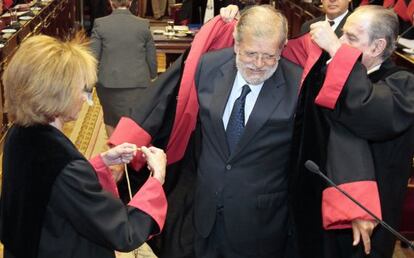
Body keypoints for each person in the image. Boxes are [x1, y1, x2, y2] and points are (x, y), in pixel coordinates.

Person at [222, 4, 414, 258]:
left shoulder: (403, 84)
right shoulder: (331, 69)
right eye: (341, 34)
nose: (340, 40)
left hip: (363, 218)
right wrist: (241, 21)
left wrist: (337, 50)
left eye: (351, 38)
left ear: (377, 47)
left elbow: (366, 110)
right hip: (312, 203)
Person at [111, 5, 304, 257]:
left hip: (260, 224)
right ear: (235, 43)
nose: (258, 64)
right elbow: (168, 108)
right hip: (205, 213)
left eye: (269, 56)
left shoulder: (299, 85)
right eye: (250, 53)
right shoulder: (207, 66)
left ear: (283, 48)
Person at [0, 34, 168, 258]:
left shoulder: (19, 134)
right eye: (81, 90)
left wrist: (101, 163)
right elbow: (124, 233)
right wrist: (157, 178)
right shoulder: (65, 167)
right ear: (55, 94)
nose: (87, 100)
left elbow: (50, 186)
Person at [90, 0, 157, 137]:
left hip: (108, 84)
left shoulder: (100, 24)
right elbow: (151, 57)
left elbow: (92, 58)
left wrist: (87, 86)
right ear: (130, 2)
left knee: (110, 119)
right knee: (135, 121)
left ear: (110, 2)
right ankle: (131, 153)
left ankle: (116, 152)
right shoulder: (143, 24)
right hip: (138, 83)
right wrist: (152, 75)